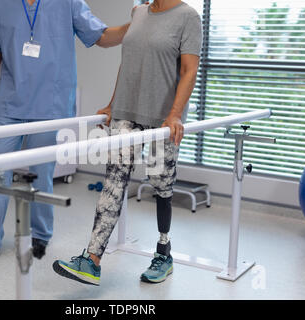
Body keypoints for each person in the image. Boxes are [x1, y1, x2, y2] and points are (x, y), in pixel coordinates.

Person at [0, 0, 131, 266]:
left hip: (50, 105)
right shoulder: (2, 4)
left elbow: (102, 36)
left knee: (41, 175)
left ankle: (41, 234)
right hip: (9, 105)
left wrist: (138, 26)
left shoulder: (68, 3)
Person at [53, 0, 202, 285]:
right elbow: (128, 63)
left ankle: (163, 252)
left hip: (163, 120)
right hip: (127, 111)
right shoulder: (139, 12)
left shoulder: (188, 17)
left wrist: (174, 115)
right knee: (114, 180)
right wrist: (112, 105)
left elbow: (189, 69)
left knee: (161, 183)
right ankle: (92, 259)